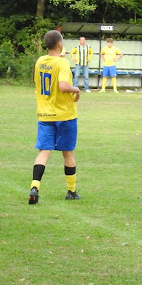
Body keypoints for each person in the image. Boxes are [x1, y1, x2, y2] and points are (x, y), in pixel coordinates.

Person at [28, 30, 82, 204]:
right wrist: (77, 89)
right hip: (64, 114)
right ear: (60, 44)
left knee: (44, 151)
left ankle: (35, 187)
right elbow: (64, 86)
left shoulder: (40, 61)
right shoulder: (63, 63)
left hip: (45, 113)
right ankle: (71, 191)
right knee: (68, 152)